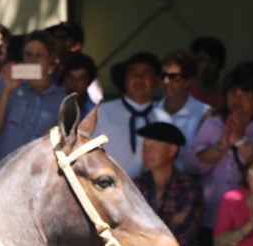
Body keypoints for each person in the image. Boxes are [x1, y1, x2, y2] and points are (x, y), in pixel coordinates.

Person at [184, 63, 253, 246]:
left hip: (249, 221)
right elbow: (192, 166)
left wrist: (240, 140)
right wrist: (221, 146)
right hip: (209, 215)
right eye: (232, 93)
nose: (237, 100)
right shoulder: (213, 123)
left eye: (245, 94)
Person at [0, 29, 68, 168]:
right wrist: (7, 89)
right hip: (1, 171)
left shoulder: (61, 100)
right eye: (28, 54)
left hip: (35, 175)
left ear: (51, 59)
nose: (32, 60)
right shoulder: (6, 83)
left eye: (39, 55)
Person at [95, 51, 170, 180]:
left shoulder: (164, 120)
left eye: (147, 73)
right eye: (132, 72)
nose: (139, 78)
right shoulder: (102, 113)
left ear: (157, 81)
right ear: (125, 80)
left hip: (148, 195)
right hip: (108, 190)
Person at [133, 122, 203, 246]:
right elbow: (127, 227)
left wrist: (143, 232)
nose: (145, 153)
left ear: (171, 151)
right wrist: (167, 223)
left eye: (152, 148)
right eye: (144, 147)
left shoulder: (188, 188)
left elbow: (182, 237)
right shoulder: (137, 185)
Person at [156, 50, 210, 162]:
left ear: (189, 80)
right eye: (163, 75)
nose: (166, 81)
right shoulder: (151, 110)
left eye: (173, 77)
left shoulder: (204, 114)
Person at [189, 36, 226, 109]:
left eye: (212, 61)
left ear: (220, 64)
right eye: (201, 60)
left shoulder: (226, 94)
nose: (205, 66)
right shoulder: (183, 91)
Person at [61, 53, 97, 119]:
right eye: (70, 77)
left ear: (89, 82)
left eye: (81, 79)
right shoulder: (52, 105)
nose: (74, 83)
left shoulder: (96, 113)